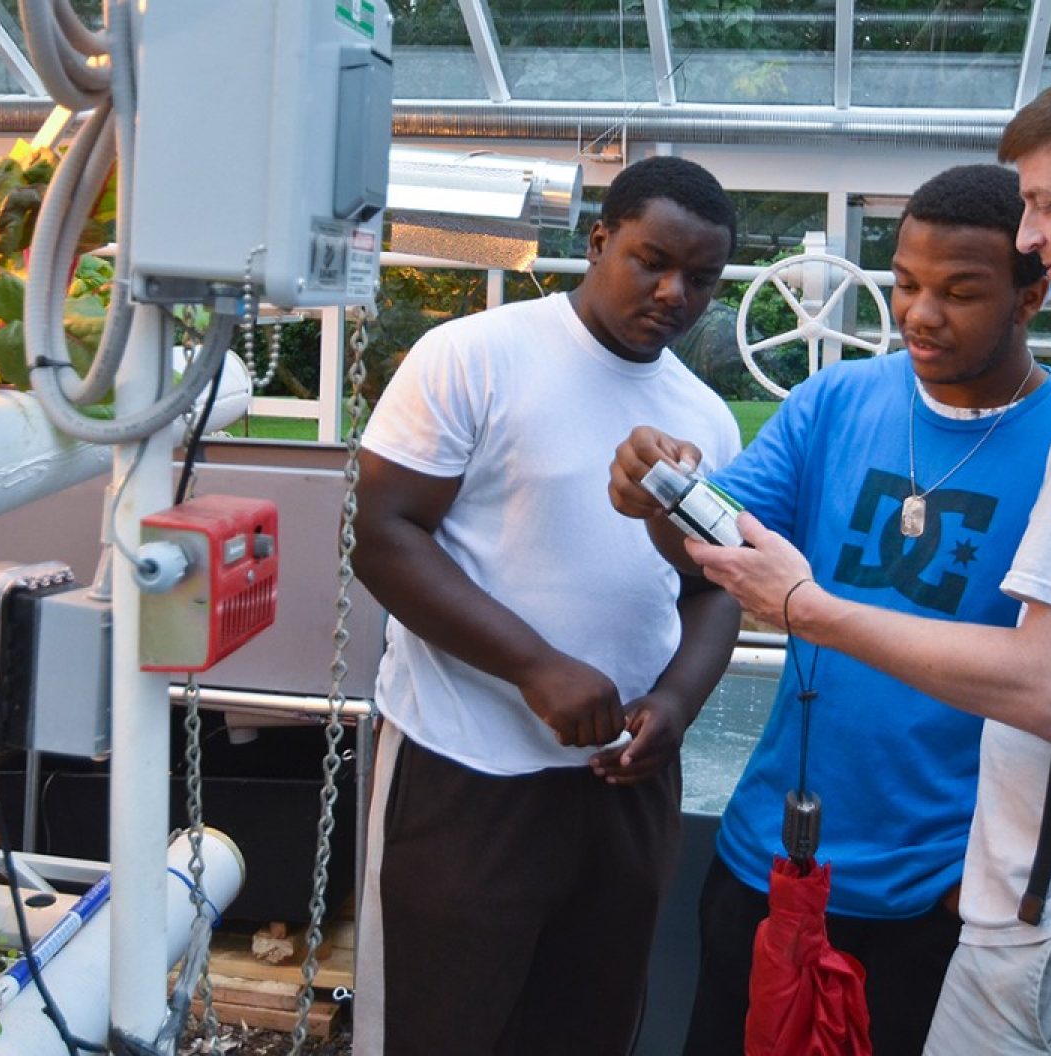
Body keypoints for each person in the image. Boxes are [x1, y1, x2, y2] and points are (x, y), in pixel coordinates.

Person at [670, 59, 1051, 1054]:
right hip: (882, 872)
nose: (1035, 234)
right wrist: (667, 494)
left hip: (1036, 905)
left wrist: (806, 605)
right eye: (906, 286)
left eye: (1046, 204)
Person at [610, 164, 1051, 1056]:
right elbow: (714, 559)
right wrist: (656, 495)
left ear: (1032, 296)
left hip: (941, 891)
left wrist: (977, 880)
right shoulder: (835, 401)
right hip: (769, 866)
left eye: (961, 292)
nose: (921, 314)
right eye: (905, 283)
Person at [349, 155, 746, 1056]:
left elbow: (713, 587)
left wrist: (677, 706)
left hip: (625, 782)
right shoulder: (475, 354)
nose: (674, 293)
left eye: (701, 277)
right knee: (439, 1025)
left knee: (589, 1026)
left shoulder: (706, 420)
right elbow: (383, 536)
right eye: (651, 260)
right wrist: (537, 668)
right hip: (468, 770)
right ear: (600, 240)